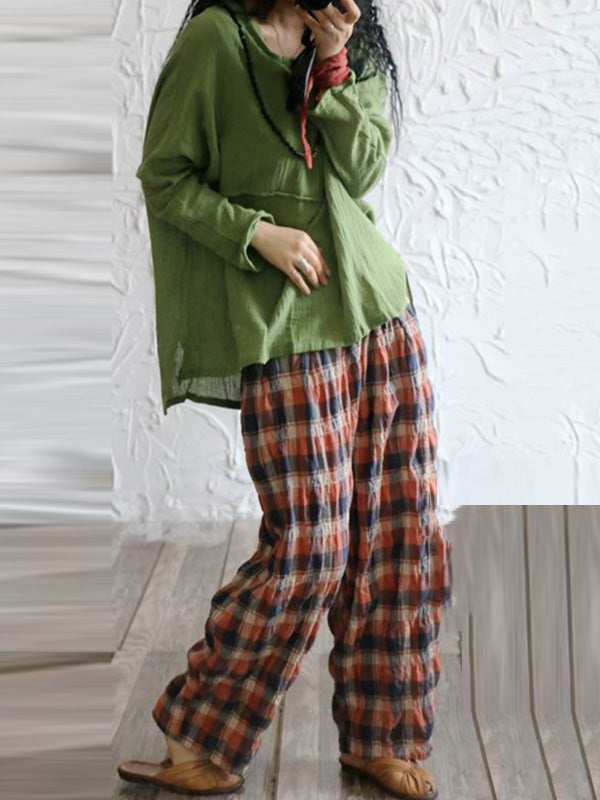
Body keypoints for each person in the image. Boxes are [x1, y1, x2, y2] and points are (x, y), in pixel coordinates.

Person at [117, 0, 454, 797]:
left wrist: (334, 65)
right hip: (285, 327)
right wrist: (255, 234)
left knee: (400, 533)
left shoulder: (353, 42)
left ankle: (382, 735)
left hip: (378, 310)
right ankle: (199, 736)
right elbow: (166, 176)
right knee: (311, 545)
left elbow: (362, 169)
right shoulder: (217, 41)